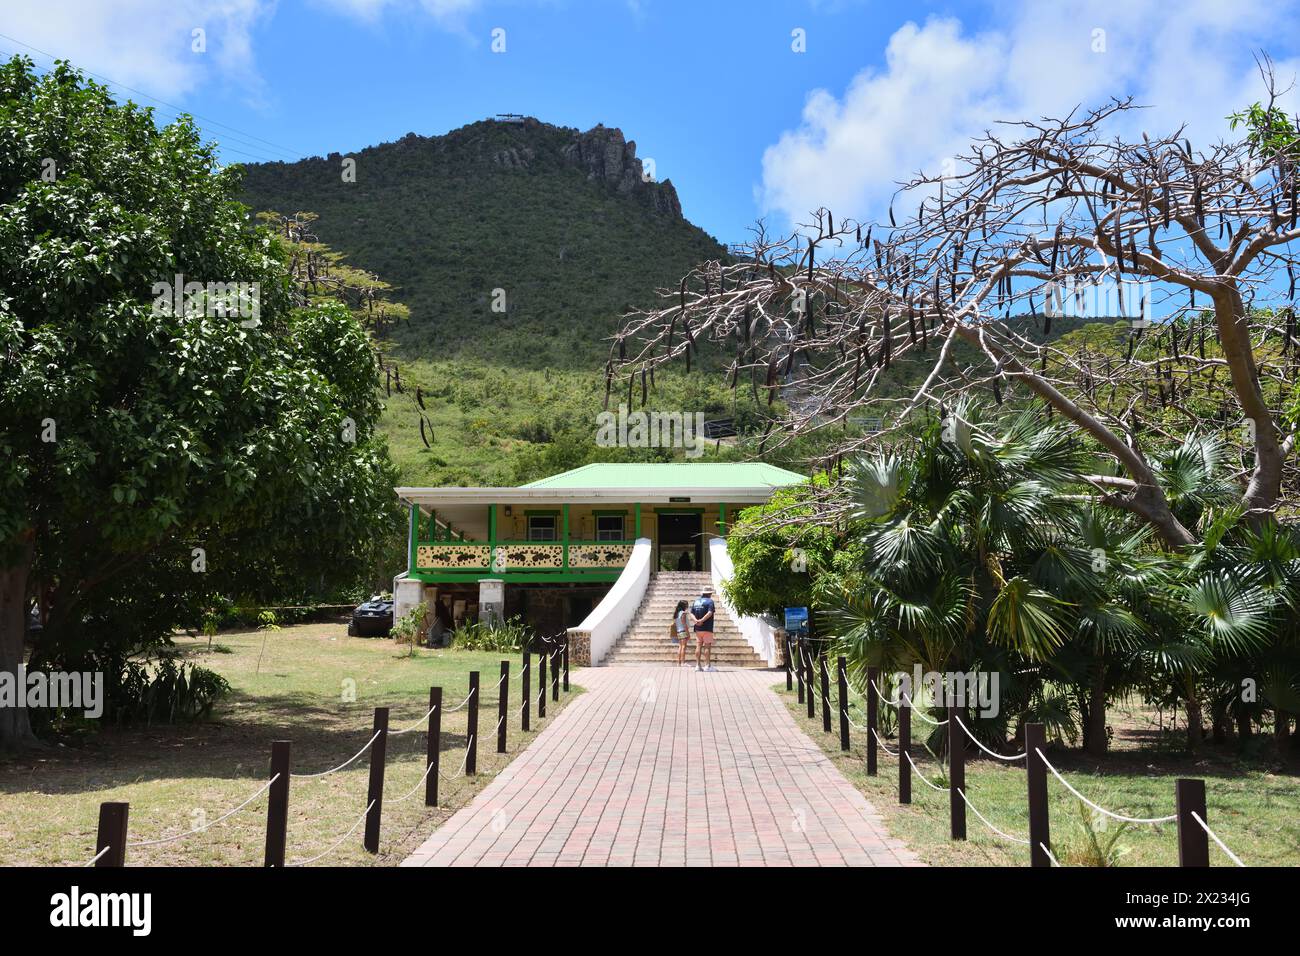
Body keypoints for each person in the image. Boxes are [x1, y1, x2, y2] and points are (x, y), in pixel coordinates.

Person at [691, 586, 716, 671]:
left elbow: (691, 613)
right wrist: (702, 620)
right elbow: (710, 613)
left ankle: (697, 665)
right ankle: (707, 666)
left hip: (698, 628)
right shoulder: (710, 601)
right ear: (710, 593)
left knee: (698, 646)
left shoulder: (696, 601)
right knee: (707, 646)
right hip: (707, 627)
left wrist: (696, 621)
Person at [672, 599, 691, 666]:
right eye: (687, 605)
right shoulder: (683, 613)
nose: (687, 606)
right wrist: (688, 633)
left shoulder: (676, 614)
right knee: (683, 647)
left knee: (680, 647)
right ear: (684, 606)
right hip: (683, 631)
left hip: (678, 631)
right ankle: (683, 662)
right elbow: (684, 624)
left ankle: (679, 663)